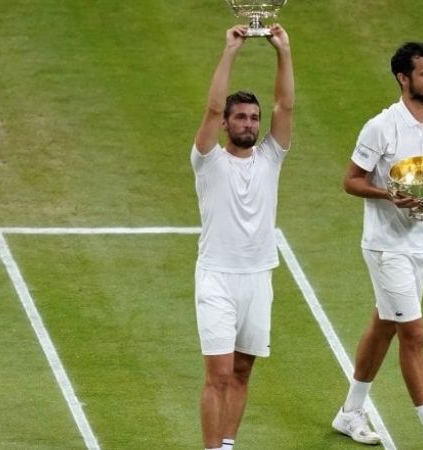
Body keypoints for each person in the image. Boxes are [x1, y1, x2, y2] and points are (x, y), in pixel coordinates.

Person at [331, 42, 423, 450]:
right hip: (385, 246)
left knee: (385, 325)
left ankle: (349, 412)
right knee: (413, 332)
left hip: (421, 242)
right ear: (403, 78)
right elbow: (351, 181)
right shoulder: (380, 127)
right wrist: (388, 195)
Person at [190, 24, 293, 450]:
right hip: (216, 278)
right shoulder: (208, 160)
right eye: (240, 117)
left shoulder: (271, 156)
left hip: (258, 278)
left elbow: (285, 106)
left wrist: (283, 51)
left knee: (243, 371)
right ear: (228, 123)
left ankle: (228, 445)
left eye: (254, 118)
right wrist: (230, 51)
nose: (249, 123)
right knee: (217, 375)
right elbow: (211, 110)